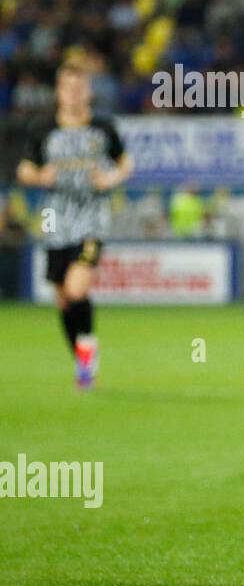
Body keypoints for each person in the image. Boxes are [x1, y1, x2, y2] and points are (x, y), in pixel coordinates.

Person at [16, 57, 133, 389]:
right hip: (54, 217)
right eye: (67, 87)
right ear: (58, 91)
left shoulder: (103, 127)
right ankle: (83, 360)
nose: (73, 94)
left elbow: (126, 163)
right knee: (62, 297)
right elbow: (24, 169)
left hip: (91, 217)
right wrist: (39, 175)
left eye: (79, 87)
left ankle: (87, 352)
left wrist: (110, 179)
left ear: (89, 91)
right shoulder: (44, 128)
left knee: (77, 287)